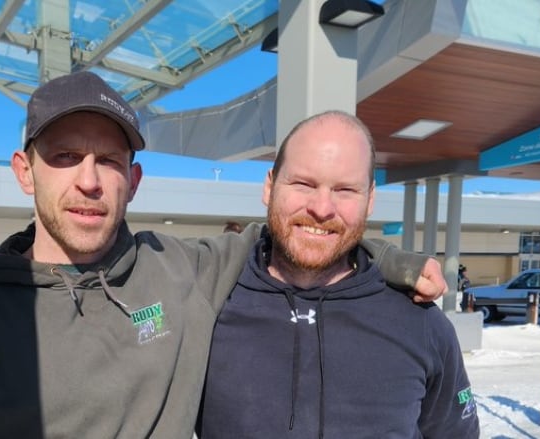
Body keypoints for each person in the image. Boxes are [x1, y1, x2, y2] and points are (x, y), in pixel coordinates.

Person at [0, 72, 447, 438]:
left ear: (133, 180)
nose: (89, 181)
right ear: (23, 170)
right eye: (64, 156)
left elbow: (305, 229)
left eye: (109, 161)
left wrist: (389, 260)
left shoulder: (180, 270)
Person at [199, 111, 479, 438]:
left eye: (345, 190)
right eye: (303, 183)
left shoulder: (421, 323)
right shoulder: (208, 306)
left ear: (370, 199)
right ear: (270, 186)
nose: (322, 208)